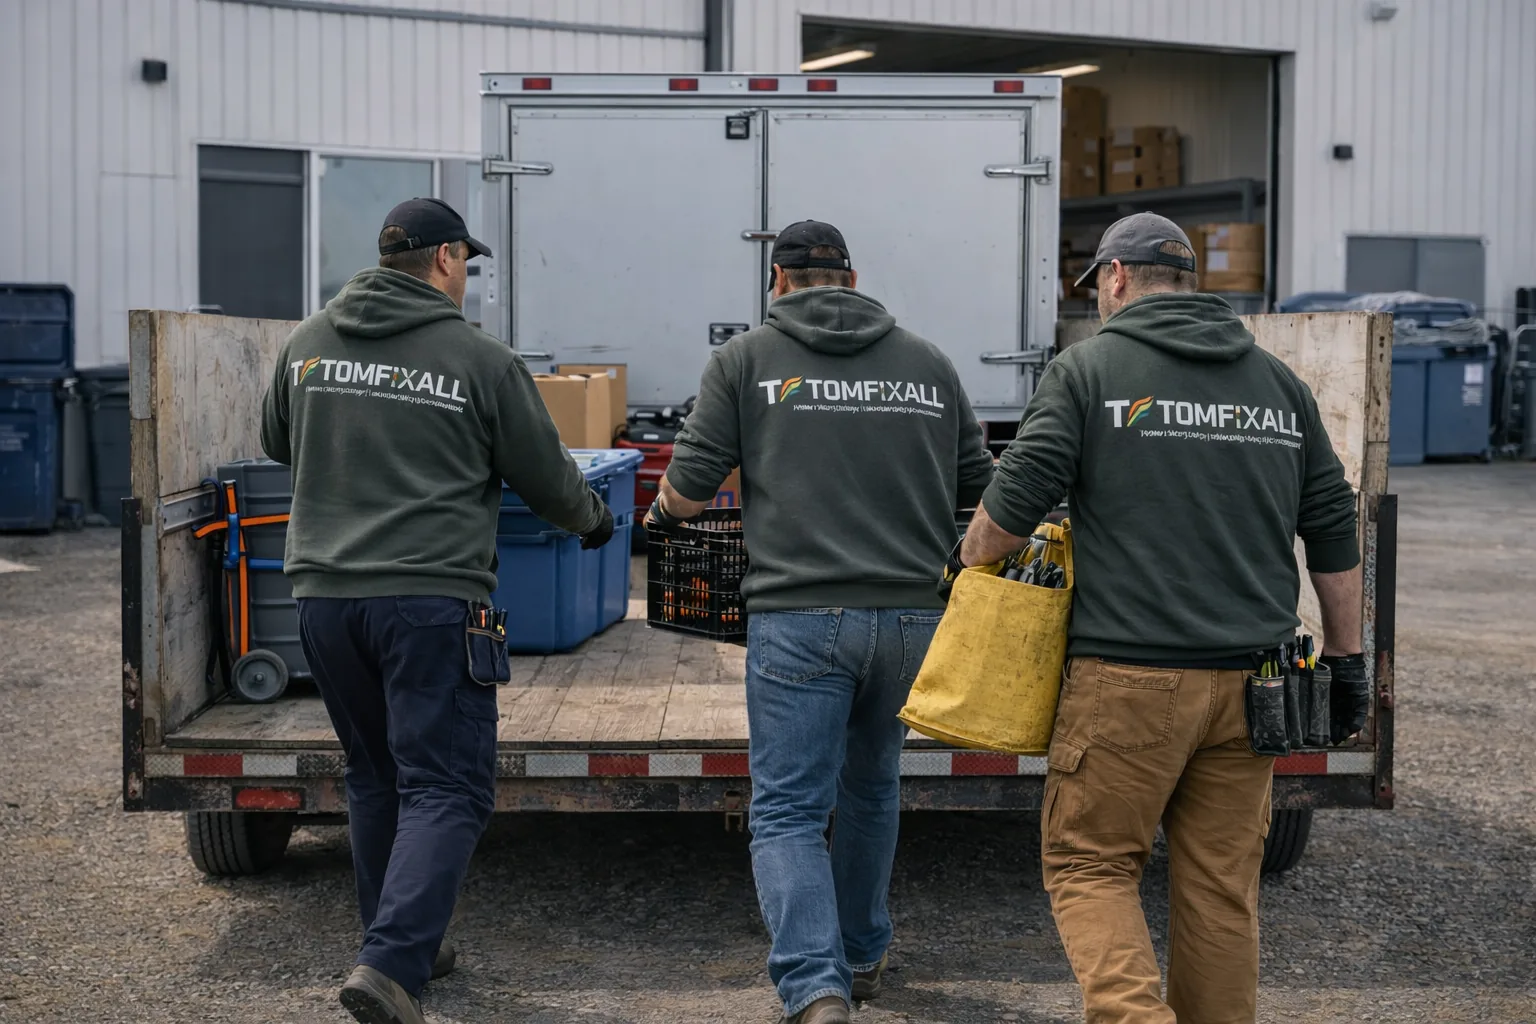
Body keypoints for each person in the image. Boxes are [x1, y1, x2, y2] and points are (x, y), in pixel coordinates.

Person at [957, 212, 1369, 1024]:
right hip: (1253, 687)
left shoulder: (1089, 371)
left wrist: (968, 559)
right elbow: (1332, 525)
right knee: (1220, 886)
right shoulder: (1278, 386)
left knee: (1089, 865)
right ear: (1186, 281)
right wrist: (1348, 662)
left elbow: (1006, 518)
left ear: (1114, 279)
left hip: (1129, 685)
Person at [260, 197, 613, 1024]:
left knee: (375, 774)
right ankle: (390, 963)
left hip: (323, 600)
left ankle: (402, 940)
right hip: (428, 601)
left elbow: (279, 442)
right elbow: (548, 477)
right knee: (449, 786)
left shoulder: (307, 344)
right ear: (448, 259)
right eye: (468, 264)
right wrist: (594, 523)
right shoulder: (477, 359)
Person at [647, 220, 996, 1024]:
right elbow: (982, 486)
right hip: (912, 618)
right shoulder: (926, 361)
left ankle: (815, 987)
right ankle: (863, 951)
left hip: (800, 621)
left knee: (787, 810)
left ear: (778, 283)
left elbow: (691, 488)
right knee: (872, 787)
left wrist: (661, 518)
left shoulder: (746, 360)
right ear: (852, 278)